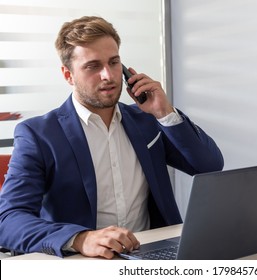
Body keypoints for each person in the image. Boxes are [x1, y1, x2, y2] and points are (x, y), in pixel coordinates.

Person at [0, 16, 224, 259]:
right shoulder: (39, 134)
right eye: (93, 66)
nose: (108, 75)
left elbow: (208, 166)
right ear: (68, 75)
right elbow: (9, 220)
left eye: (114, 62)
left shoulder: (147, 120)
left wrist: (165, 112)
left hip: (153, 253)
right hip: (85, 262)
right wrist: (80, 238)